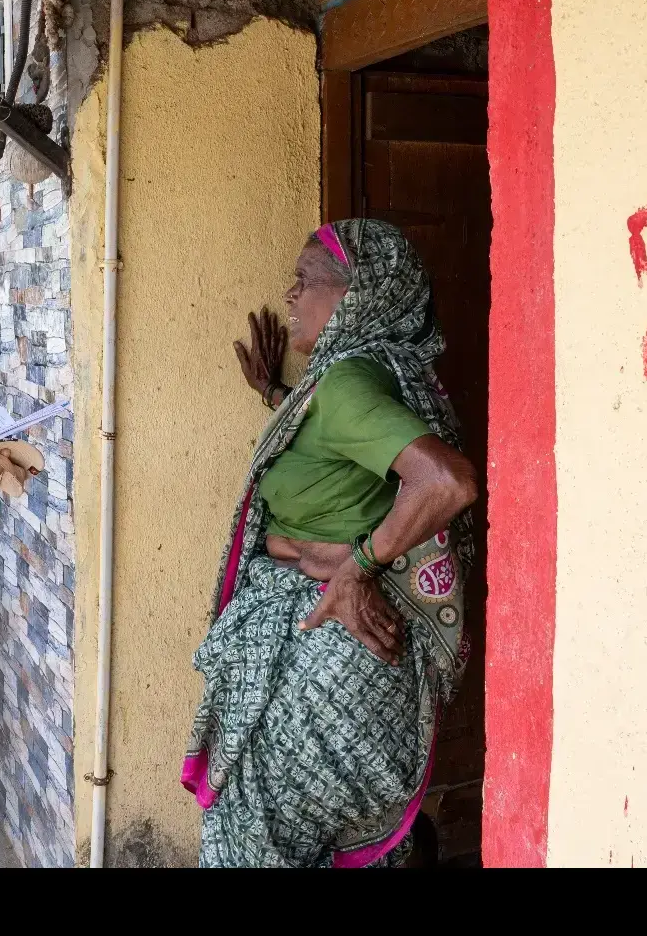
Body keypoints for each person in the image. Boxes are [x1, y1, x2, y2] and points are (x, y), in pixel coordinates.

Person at [182, 219, 480, 868]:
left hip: (334, 644)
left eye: (305, 280)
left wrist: (357, 568)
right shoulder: (368, 376)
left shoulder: (347, 381)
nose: (290, 295)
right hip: (355, 657)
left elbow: (446, 481)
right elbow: (337, 461)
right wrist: (275, 395)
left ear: (357, 296)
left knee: (250, 841)